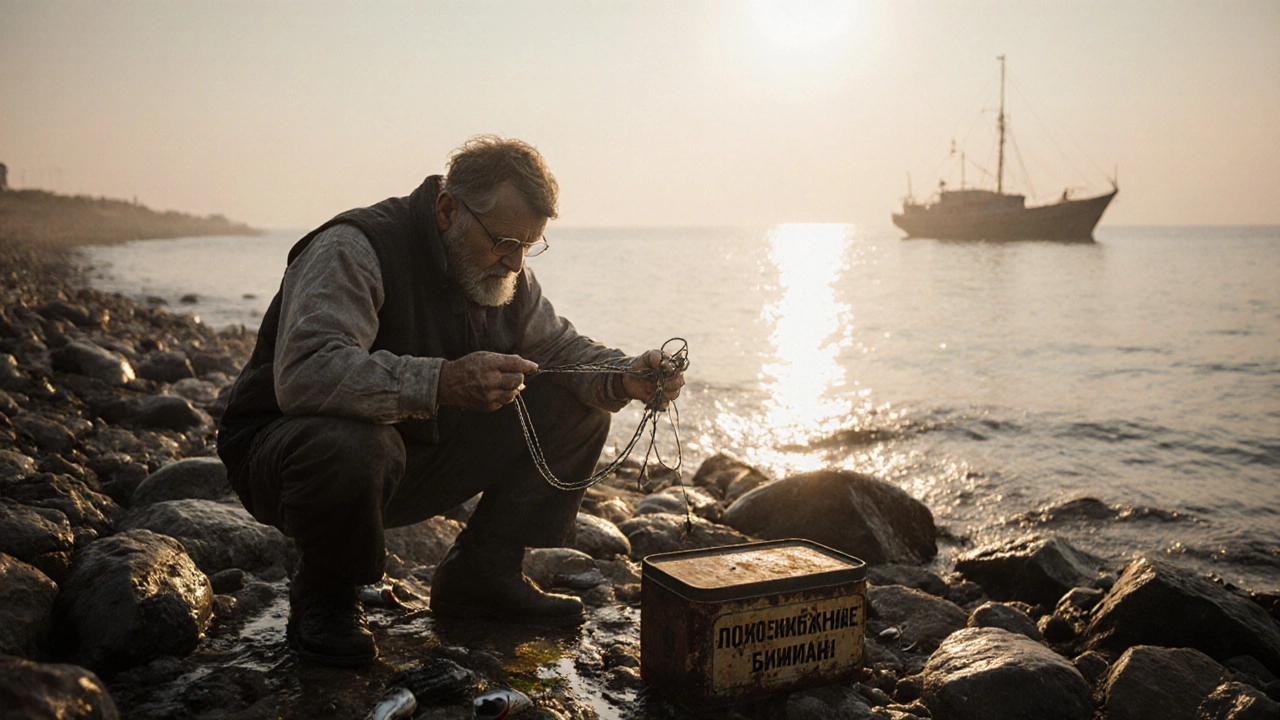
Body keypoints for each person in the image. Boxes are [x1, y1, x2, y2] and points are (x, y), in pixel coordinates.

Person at [217, 136, 684, 667]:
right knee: (353, 440)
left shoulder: (501, 271)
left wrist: (625, 376)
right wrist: (443, 382)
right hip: (288, 460)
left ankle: (482, 573)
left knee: (574, 404)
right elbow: (306, 374)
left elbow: (559, 350)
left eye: (530, 245)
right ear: (447, 210)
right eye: (505, 241)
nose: (515, 261)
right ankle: (326, 597)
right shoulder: (355, 247)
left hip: (409, 453)